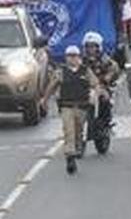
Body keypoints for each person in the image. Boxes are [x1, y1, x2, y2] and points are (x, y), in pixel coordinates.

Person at [41, 46, 101, 175]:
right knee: (69, 131)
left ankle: (78, 148)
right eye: (69, 56)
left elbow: (95, 84)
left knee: (78, 132)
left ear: (79, 57)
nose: (72, 58)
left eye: (74, 56)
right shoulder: (61, 72)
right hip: (67, 106)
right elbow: (52, 86)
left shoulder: (85, 71)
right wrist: (45, 100)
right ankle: (70, 157)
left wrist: (96, 94)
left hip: (82, 106)